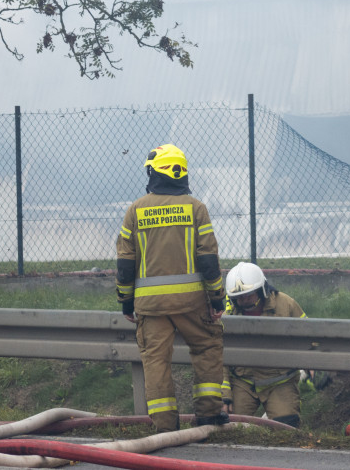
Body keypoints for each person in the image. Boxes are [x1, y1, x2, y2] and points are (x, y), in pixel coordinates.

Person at [116, 144, 229, 432]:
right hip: (192, 304)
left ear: (156, 171)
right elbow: (208, 260)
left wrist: (126, 302)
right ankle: (208, 417)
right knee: (206, 348)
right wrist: (217, 299)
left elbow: (125, 264)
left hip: (150, 309)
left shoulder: (136, 211)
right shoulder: (196, 208)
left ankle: (165, 427)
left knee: (156, 363)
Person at [220, 262, 308, 428]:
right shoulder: (229, 315)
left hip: (280, 381)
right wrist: (225, 396)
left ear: (262, 290)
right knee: (230, 428)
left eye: (248, 296)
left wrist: (313, 366)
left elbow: (310, 335)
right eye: (239, 298)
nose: (244, 301)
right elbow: (220, 354)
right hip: (243, 382)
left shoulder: (285, 305)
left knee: (286, 429)